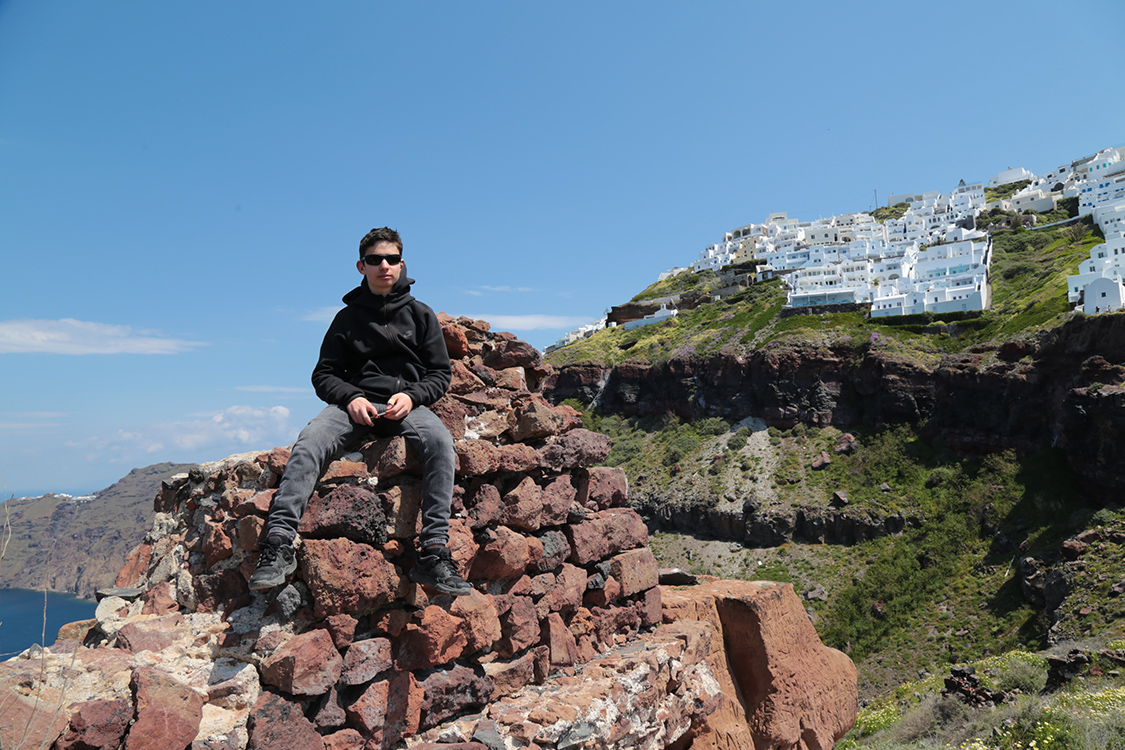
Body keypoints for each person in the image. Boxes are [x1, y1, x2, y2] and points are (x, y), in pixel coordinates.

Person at [249, 226, 471, 596]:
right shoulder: (346, 319)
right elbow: (324, 374)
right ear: (361, 266)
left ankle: (433, 553)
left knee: (441, 444)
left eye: (392, 259)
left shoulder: (421, 315)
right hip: (352, 406)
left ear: (402, 263)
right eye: (375, 259)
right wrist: (351, 397)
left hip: (406, 406)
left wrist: (412, 396)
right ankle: (278, 545)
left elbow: (439, 374)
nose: (384, 265)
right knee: (309, 443)